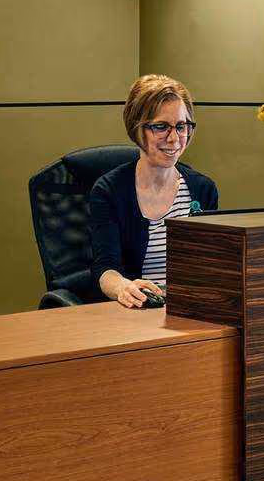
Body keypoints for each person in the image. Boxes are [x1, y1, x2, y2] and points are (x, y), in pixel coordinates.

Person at [89, 74, 218, 308]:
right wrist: (123, 288)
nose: (174, 138)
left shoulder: (203, 189)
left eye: (181, 126)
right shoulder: (109, 191)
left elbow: (210, 264)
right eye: (160, 127)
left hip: (191, 308)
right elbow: (105, 267)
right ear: (137, 129)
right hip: (136, 310)